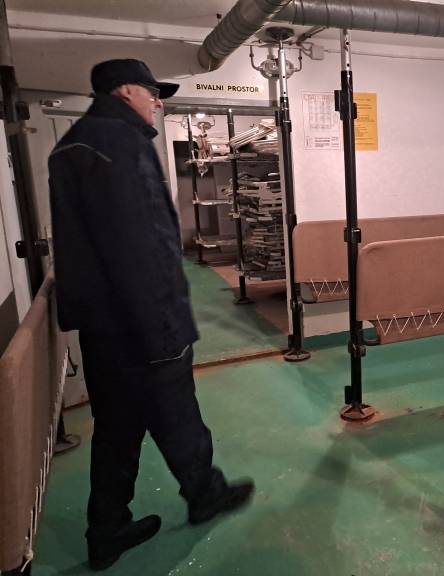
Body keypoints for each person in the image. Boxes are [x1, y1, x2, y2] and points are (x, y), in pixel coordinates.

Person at [48, 59, 254, 571]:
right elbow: (141, 245)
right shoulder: (121, 146)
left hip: (103, 326)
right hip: (142, 323)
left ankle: (107, 530)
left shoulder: (71, 145)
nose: (158, 102)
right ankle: (205, 494)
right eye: (151, 92)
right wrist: (166, 328)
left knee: (116, 429)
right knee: (179, 417)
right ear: (124, 91)